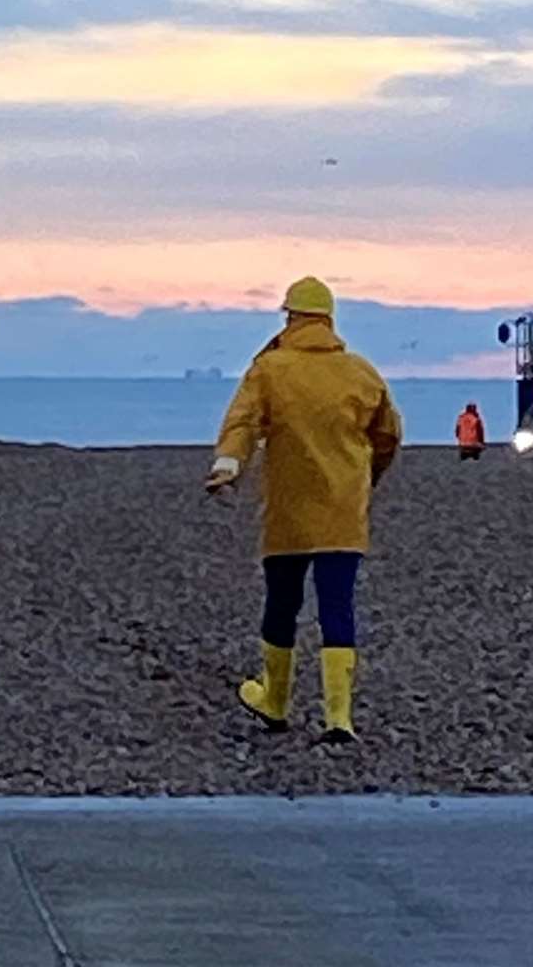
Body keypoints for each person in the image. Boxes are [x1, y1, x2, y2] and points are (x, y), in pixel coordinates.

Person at [205, 276, 402, 743]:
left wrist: (228, 466)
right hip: (343, 509)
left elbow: (244, 422)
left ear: (290, 317)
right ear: (330, 320)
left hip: (289, 509)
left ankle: (275, 702)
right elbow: (388, 435)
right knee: (337, 606)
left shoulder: (270, 369)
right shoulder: (361, 372)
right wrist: (366, 480)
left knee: (282, 603)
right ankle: (339, 717)